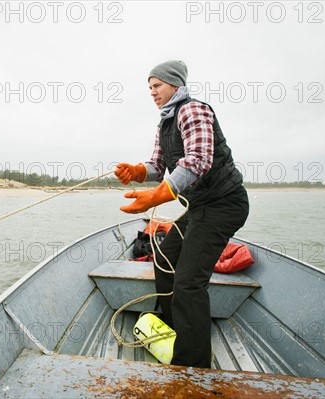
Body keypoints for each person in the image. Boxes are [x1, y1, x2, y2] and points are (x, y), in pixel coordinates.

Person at [115, 60, 249, 368]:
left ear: (175, 85)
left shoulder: (193, 111)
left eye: (157, 85)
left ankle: (192, 364)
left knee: (189, 282)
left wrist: (155, 197)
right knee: (164, 257)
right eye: (149, 87)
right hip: (199, 207)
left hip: (224, 205)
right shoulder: (165, 122)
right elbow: (156, 166)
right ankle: (176, 326)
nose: (152, 92)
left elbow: (198, 161)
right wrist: (136, 172)